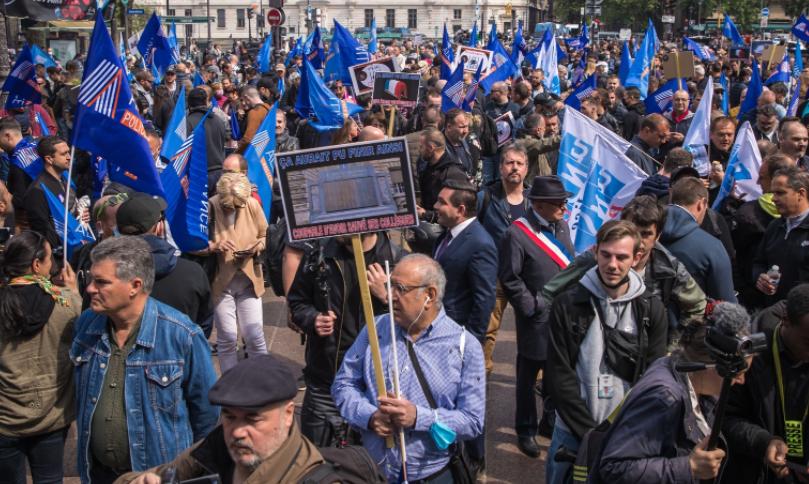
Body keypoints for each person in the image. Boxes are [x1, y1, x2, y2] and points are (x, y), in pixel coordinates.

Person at [71, 236, 218, 483]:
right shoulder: (86, 325)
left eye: (101, 282)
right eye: (90, 279)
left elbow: (208, 417)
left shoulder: (181, 335)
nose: (90, 289)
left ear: (135, 285)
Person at [332, 254, 486, 482]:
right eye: (389, 285)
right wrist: (369, 416)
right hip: (373, 471)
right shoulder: (376, 329)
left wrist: (418, 417)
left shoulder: (465, 346)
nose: (390, 295)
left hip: (431, 474)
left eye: (400, 288)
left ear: (429, 295)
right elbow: (343, 384)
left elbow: (472, 421)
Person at [117, 353, 385, 484]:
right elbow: (157, 474)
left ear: (288, 414)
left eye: (253, 419)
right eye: (230, 417)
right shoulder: (218, 448)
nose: (237, 431)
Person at [545, 220, 668, 484]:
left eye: (621, 257)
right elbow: (558, 375)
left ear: (636, 258)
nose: (612, 265)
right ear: (595, 251)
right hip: (572, 432)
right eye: (606, 254)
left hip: (626, 436)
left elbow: (654, 377)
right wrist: (590, 433)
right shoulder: (568, 304)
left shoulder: (651, 310)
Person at [596, 302, 754, 483]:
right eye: (738, 373)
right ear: (712, 366)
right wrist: (690, 468)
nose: (741, 381)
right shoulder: (664, 397)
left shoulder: (682, 371)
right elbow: (615, 467)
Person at [286, 232, 404, 447]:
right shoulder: (319, 255)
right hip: (326, 381)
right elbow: (297, 302)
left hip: (377, 389)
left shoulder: (398, 261)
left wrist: (387, 296)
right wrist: (313, 319)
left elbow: (419, 322)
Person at [499, 175, 574, 456]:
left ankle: (548, 421)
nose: (564, 208)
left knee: (557, 374)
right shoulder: (516, 234)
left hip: (563, 316)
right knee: (527, 378)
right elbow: (510, 278)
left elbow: (569, 264)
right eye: (559, 203)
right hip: (537, 317)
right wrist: (531, 306)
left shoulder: (562, 226)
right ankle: (526, 429)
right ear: (540, 205)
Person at [0, 232, 81, 484]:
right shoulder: (66, 303)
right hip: (51, 417)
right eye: (49, 260)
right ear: (37, 265)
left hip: (5, 419)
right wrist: (74, 293)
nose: (53, 266)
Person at [722, 283, 809, 484]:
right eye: (808, 342)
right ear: (786, 321)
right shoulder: (749, 354)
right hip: (756, 472)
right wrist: (763, 442)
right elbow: (725, 417)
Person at [115, 193, 213, 337]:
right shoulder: (193, 272)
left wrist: (68, 299)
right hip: (179, 354)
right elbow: (204, 326)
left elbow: (81, 310)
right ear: (159, 227)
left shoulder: (102, 273)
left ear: (117, 230)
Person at [477, 143, 532, 373]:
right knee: (487, 328)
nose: (514, 168)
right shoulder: (485, 197)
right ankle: (480, 372)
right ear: (500, 168)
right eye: (509, 163)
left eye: (519, 163)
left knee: (531, 327)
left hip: (525, 277)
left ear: (526, 169)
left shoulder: (534, 201)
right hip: (495, 274)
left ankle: (532, 374)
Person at [208, 172, 269, 373]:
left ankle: (262, 384)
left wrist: (256, 247)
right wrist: (214, 245)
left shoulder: (251, 205)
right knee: (226, 337)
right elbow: (194, 243)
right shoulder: (211, 206)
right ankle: (230, 386)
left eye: (237, 205)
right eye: (229, 206)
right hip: (221, 282)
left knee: (254, 336)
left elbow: (265, 234)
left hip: (249, 280)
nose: (233, 209)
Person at [660, 177, 737, 303]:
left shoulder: (647, 234)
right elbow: (726, 304)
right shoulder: (712, 247)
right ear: (702, 204)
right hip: (693, 321)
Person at [753, 166, 809, 305]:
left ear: (800, 194)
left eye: (780, 193)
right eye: (773, 193)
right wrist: (760, 278)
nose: (773, 199)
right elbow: (759, 262)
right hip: (774, 314)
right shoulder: (774, 227)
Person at [416, 127, 467, 223]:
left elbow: (455, 211)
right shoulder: (427, 168)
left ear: (431, 148)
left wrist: (426, 214)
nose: (419, 150)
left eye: (421, 147)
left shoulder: (453, 173)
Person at [186, 88, 228, 196]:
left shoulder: (187, 123)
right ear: (206, 101)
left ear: (189, 103)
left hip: (199, 176)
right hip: (219, 174)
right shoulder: (218, 120)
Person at [237, 86, 270, 154]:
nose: (243, 103)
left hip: (255, 154)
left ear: (246, 97)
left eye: (242, 100)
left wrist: (236, 154)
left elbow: (248, 139)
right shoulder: (269, 108)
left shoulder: (255, 112)